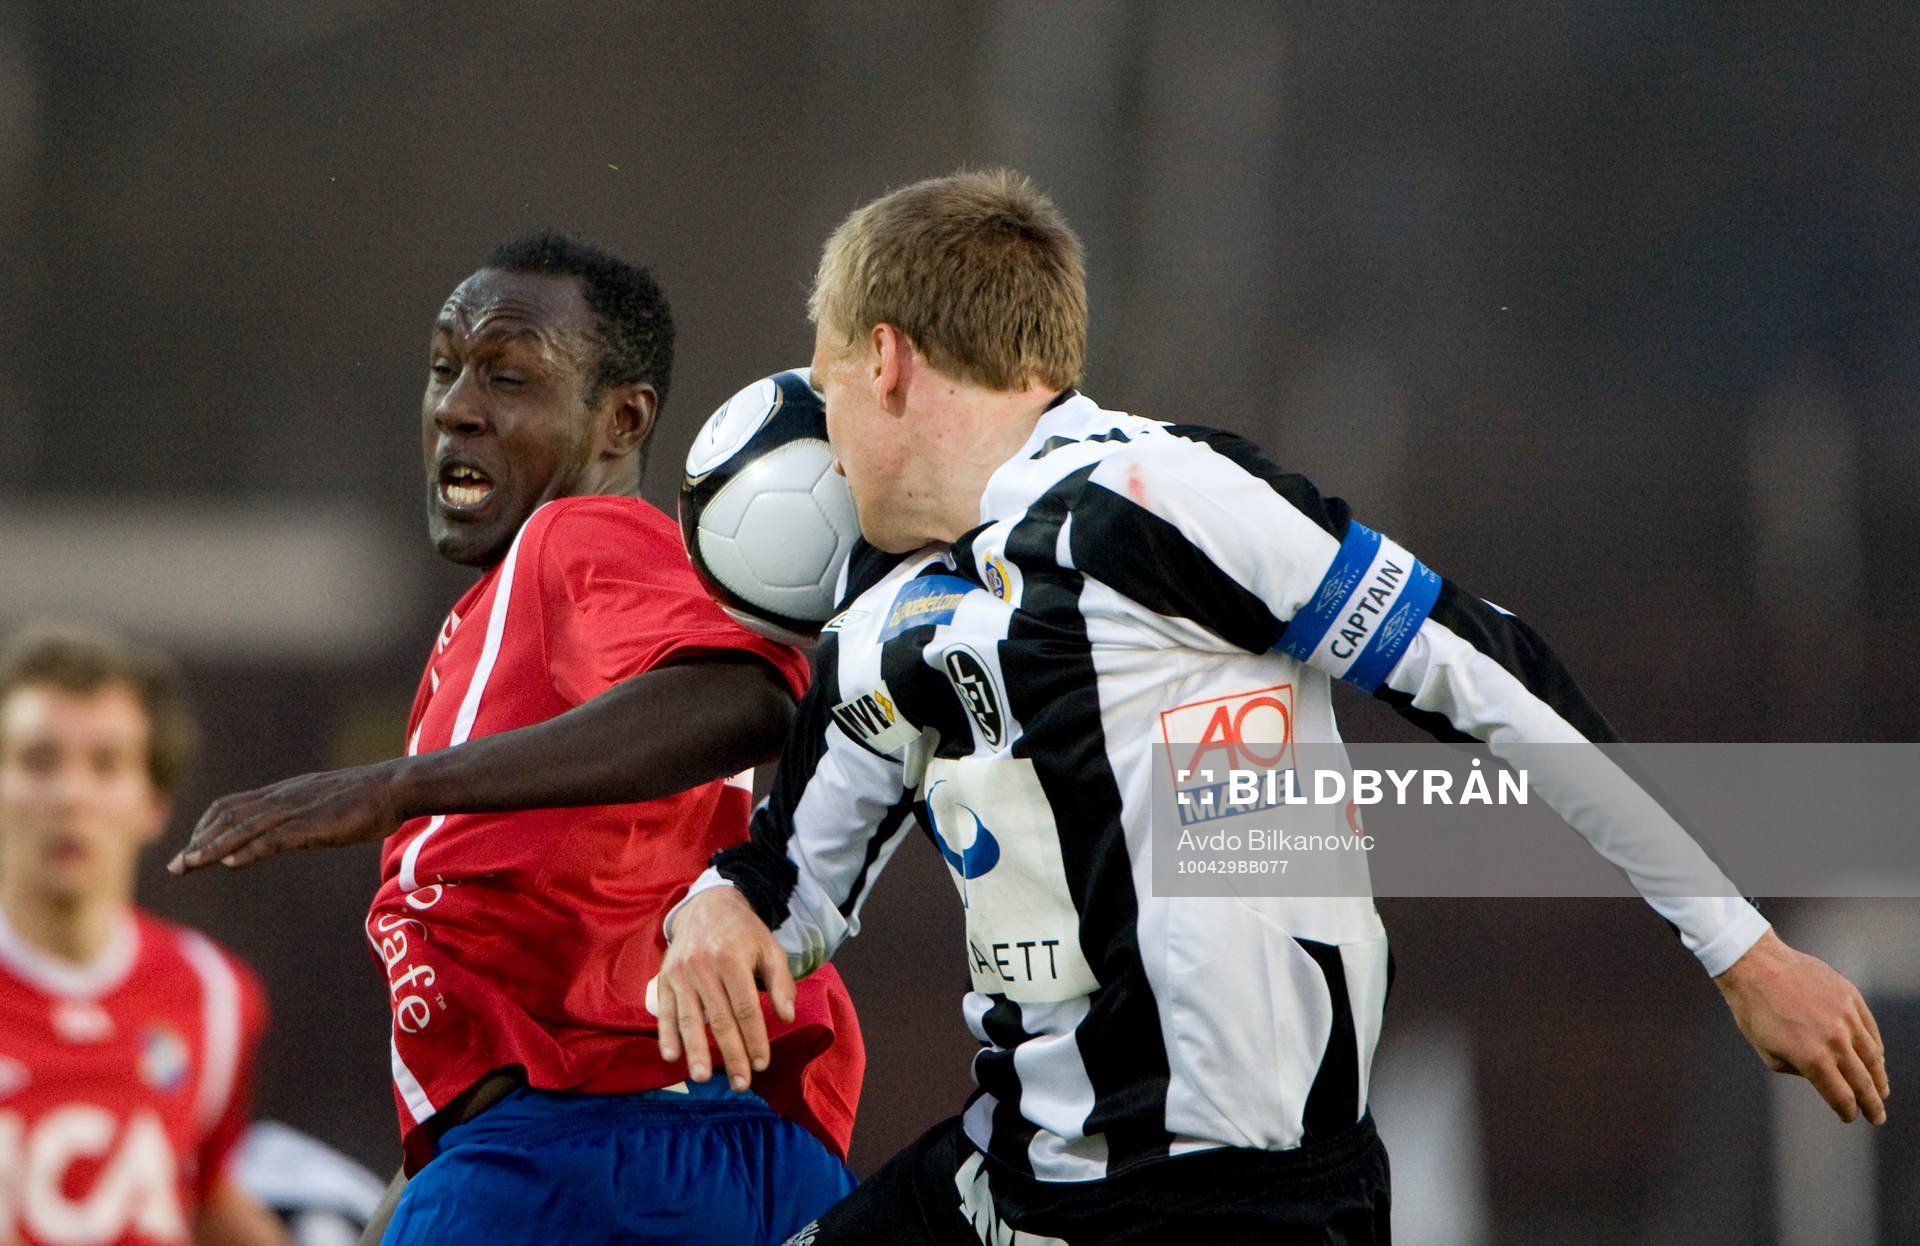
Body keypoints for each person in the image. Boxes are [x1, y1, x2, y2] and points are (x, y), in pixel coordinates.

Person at [656, 171, 1891, 1244]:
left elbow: (1485, 668)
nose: (823, 437)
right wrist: (718, 912)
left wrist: (1739, 945)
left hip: (1243, 1205)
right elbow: (792, 881)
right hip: (1015, 1178)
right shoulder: (879, 621)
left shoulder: (1151, 499)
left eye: (824, 385)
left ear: (883, 360)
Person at [169, 233, 862, 1246]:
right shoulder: (542, 639)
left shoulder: (580, 537)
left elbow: (748, 695)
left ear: (622, 418)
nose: (456, 406)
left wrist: (395, 789)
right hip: (703, 1154)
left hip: (585, 1158)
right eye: (444, 369)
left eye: (508, 376)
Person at [0, 623, 290, 1246]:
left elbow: (204, 1194)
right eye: (38, 760)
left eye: (106, 763)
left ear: (154, 800)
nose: (70, 794)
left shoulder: (214, 994)